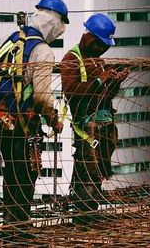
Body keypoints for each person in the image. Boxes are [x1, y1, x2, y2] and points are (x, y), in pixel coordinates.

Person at [0, 0, 67, 230]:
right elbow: (42, 97)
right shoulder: (42, 51)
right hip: (25, 125)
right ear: (54, 25)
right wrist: (54, 120)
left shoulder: (10, 39)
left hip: (4, 122)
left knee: (11, 177)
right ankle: (19, 230)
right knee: (25, 178)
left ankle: (10, 226)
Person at [60, 13, 128, 222]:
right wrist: (100, 80)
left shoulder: (97, 61)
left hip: (102, 125)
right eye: (99, 44)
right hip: (86, 127)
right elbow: (71, 91)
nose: (102, 49)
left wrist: (115, 81)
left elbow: (104, 96)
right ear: (89, 37)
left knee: (97, 169)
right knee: (86, 168)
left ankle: (90, 210)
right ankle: (83, 215)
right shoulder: (72, 59)